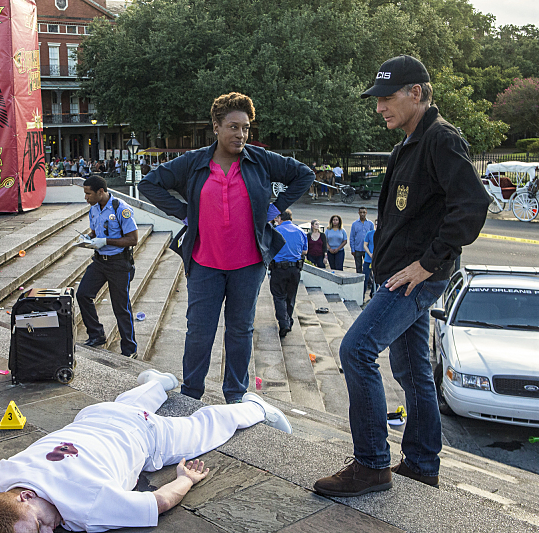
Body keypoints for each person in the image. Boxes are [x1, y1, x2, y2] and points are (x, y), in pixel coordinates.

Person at [314, 55, 489, 497]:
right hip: (396, 273)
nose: (379, 108)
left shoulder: (440, 138)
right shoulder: (409, 143)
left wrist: (429, 264)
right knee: (411, 370)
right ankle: (422, 464)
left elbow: (471, 206)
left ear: (417, 93)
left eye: (387, 98)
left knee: (356, 350)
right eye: (377, 100)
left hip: (413, 278)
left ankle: (372, 465)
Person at [0, 370, 292, 533]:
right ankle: (159, 382)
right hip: (96, 416)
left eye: (38, 527)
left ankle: (256, 406)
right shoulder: (1, 485)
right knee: (129, 401)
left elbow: (158, 504)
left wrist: (185, 480)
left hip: (145, 433)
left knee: (204, 427)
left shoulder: (90, 506)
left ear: (26, 496)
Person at [138, 92, 313, 404]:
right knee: (199, 332)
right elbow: (149, 183)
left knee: (240, 331)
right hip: (205, 263)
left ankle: (235, 395)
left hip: (248, 265)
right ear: (216, 127)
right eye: (233, 127)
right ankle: (191, 394)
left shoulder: (259, 160)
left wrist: (276, 209)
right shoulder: (194, 162)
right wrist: (183, 212)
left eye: (246, 128)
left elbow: (304, 175)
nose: (241, 134)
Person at [76, 176, 140, 357]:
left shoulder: (121, 209)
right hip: (99, 262)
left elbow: (133, 239)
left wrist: (105, 241)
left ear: (101, 192)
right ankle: (96, 334)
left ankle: (129, 349)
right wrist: (88, 239)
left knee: (121, 307)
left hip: (119, 263)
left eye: (88, 193)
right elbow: (96, 230)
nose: (86, 197)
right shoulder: (94, 209)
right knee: (83, 294)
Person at [268, 209, 307, 338]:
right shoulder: (301, 231)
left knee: (279, 296)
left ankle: (284, 323)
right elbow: (304, 251)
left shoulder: (276, 231)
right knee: (291, 296)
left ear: (280, 218)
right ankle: (288, 320)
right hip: (294, 269)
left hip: (278, 269)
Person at [349, 207, 374, 273]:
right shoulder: (355, 224)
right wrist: (353, 249)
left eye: (364, 212)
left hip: (367, 250)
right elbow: (352, 237)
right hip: (358, 249)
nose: (362, 214)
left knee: (368, 268)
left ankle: (368, 282)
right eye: (361, 212)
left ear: (366, 213)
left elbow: (372, 237)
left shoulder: (370, 224)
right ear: (358, 213)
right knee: (358, 267)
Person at [362, 220, 377, 299]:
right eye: (376, 224)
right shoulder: (370, 233)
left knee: (376, 279)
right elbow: (365, 245)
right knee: (365, 277)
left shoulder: (383, 235)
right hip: (368, 260)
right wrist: (370, 254)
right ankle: (362, 295)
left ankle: (373, 294)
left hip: (377, 261)